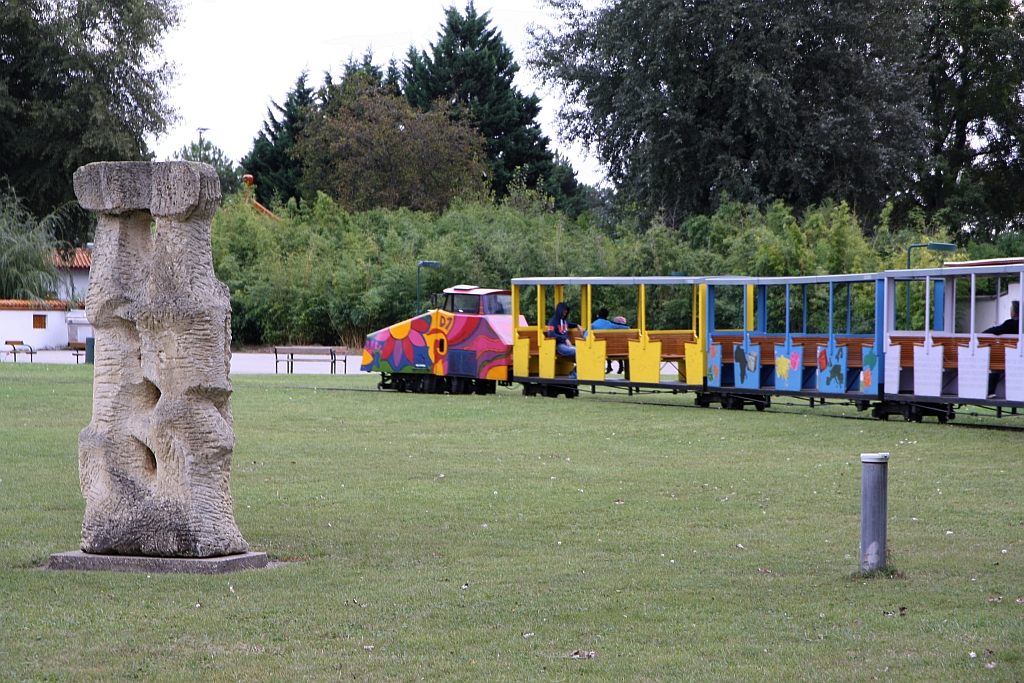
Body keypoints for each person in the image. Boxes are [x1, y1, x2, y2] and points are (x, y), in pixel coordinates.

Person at [590, 308, 629, 373]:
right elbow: (627, 328)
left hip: (597, 350)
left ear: (598, 315)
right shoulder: (610, 325)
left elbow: (585, 335)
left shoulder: (593, 325)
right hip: (613, 350)